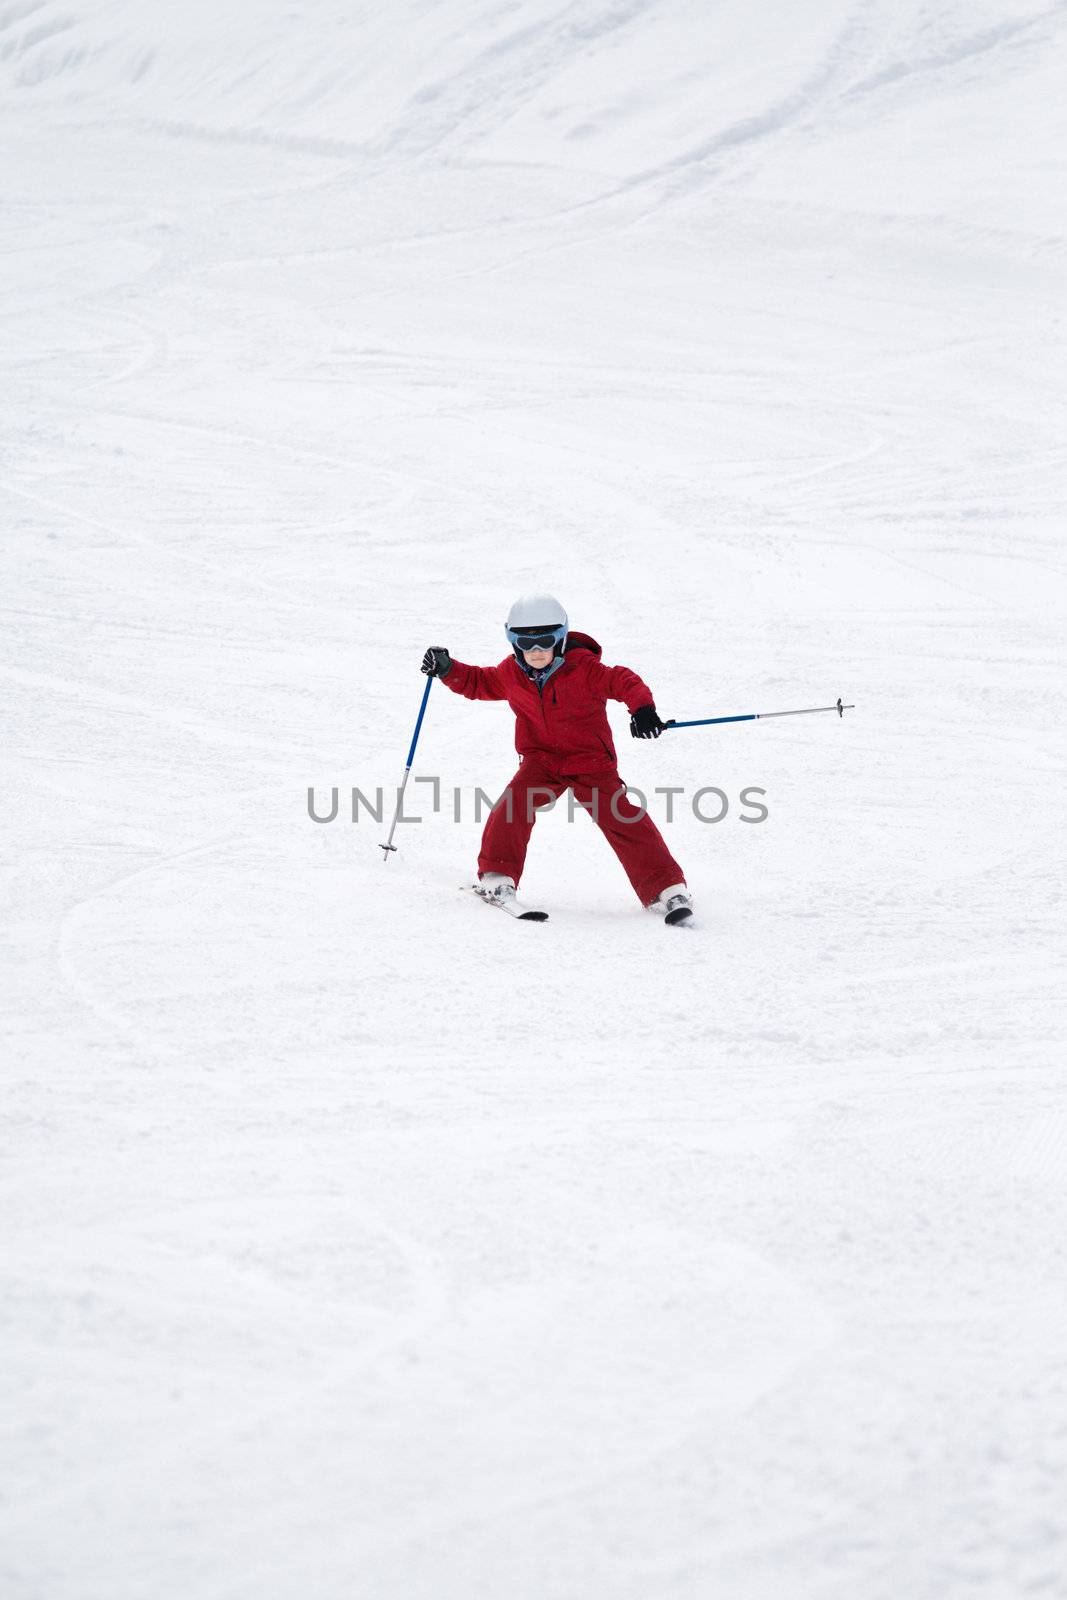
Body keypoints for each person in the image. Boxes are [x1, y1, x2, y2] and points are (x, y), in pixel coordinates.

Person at [421, 593, 693, 922]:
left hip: (590, 761)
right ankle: (497, 877)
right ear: (513, 642)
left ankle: (667, 889)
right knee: (512, 806)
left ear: (561, 638)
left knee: (621, 817)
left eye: (546, 641)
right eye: (525, 642)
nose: (536, 651)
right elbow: (479, 682)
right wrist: (448, 669)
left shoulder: (586, 669)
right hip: (541, 761)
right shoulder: (512, 673)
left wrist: (643, 709)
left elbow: (623, 680)